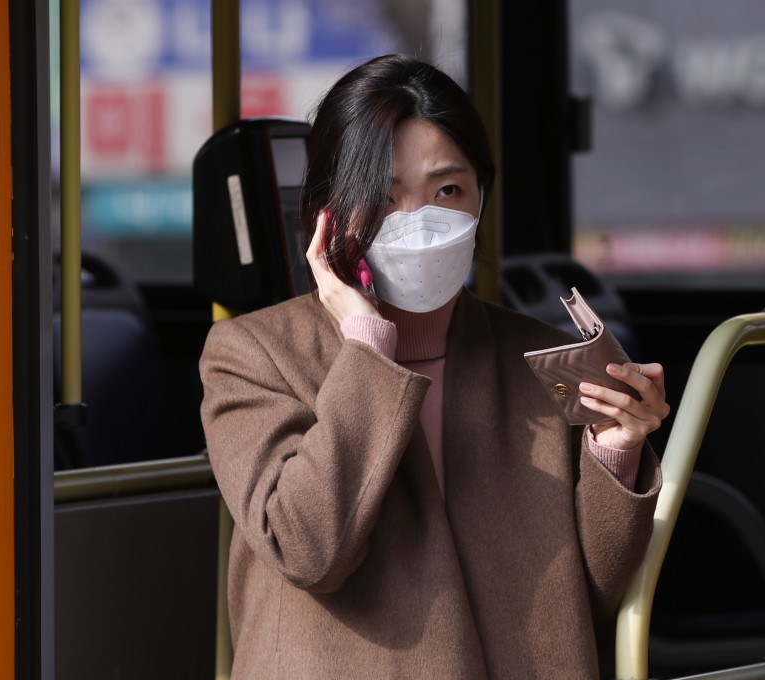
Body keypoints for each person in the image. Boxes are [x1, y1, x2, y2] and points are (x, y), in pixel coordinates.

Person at [199, 54, 670, 679]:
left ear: (481, 198)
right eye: (384, 197)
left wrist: (614, 451)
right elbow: (308, 552)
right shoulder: (253, 354)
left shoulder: (541, 358)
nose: (418, 221)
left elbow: (586, 603)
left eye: (447, 191)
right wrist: (368, 348)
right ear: (327, 212)